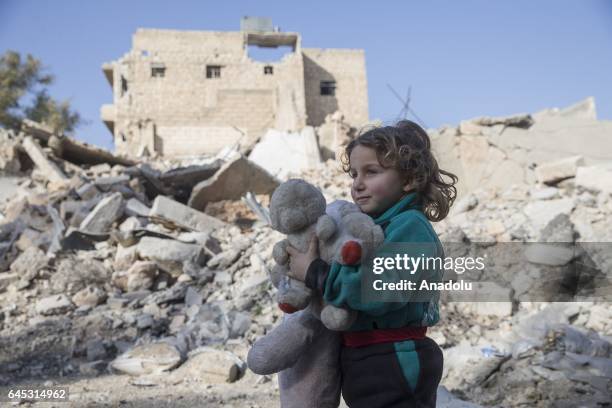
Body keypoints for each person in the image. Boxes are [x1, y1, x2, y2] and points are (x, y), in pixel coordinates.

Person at [286, 120, 458, 408]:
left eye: (372, 172)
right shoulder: (376, 227)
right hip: (369, 355)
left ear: (409, 179)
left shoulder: (411, 227)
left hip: (396, 357)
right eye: (354, 174)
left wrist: (315, 272)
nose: (358, 184)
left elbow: (378, 287)